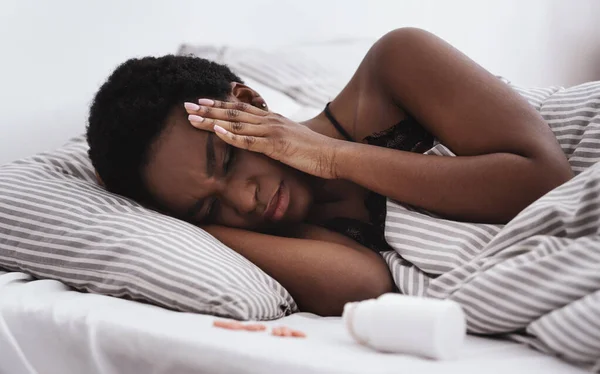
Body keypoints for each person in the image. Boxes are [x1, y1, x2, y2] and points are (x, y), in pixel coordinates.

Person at [86, 28, 574, 316]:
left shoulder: (395, 65)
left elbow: (546, 182)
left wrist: (330, 157)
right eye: (209, 206)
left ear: (250, 102)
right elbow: (363, 285)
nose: (244, 200)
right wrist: (197, 224)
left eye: (229, 159)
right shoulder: (290, 229)